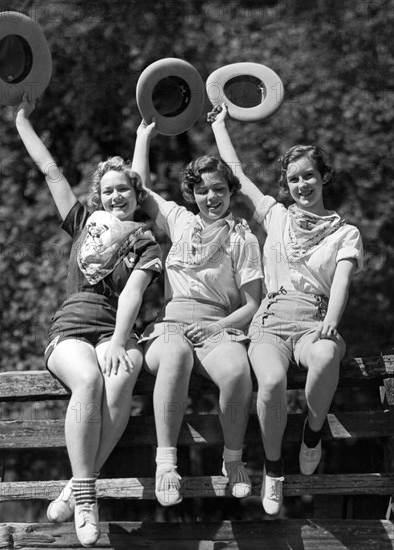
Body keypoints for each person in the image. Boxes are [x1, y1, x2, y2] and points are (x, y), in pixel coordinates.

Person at [14, 97, 162, 546]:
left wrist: (143, 138)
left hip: (118, 329)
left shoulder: (145, 241)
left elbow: (134, 292)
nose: (117, 195)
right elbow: (51, 171)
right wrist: (21, 119)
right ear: (99, 197)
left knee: (120, 381)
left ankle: (75, 486)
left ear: (138, 197)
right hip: (72, 329)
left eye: (126, 190)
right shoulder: (83, 222)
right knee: (91, 383)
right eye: (109, 190)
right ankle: (87, 499)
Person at [209, 103, 364, 516]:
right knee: (273, 383)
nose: (302, 184)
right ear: (286, 184)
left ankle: (313, 432)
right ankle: (274, 470)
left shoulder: (345, 232)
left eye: (309, 175)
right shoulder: (276, 216)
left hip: (314, 317)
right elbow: (237, 177)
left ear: (323, 176)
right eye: (294, 179)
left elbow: (343, 279)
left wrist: (331, 320)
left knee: (328, 353)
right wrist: (220, 125)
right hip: (271, 320)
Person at [132, 119, 263, 507]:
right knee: (174, 356)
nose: (211, 196)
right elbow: (138, 192)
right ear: (191, 193)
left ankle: (234, 460)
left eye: (219, 189)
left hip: (219, 322)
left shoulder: (243, 236)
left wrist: (217, 327)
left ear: (230, 192)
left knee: (238, 371)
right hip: (171, 323)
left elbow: (252, 304)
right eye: (202, 189)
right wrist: (143, 137)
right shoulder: (179, 220)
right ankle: (166, 465)